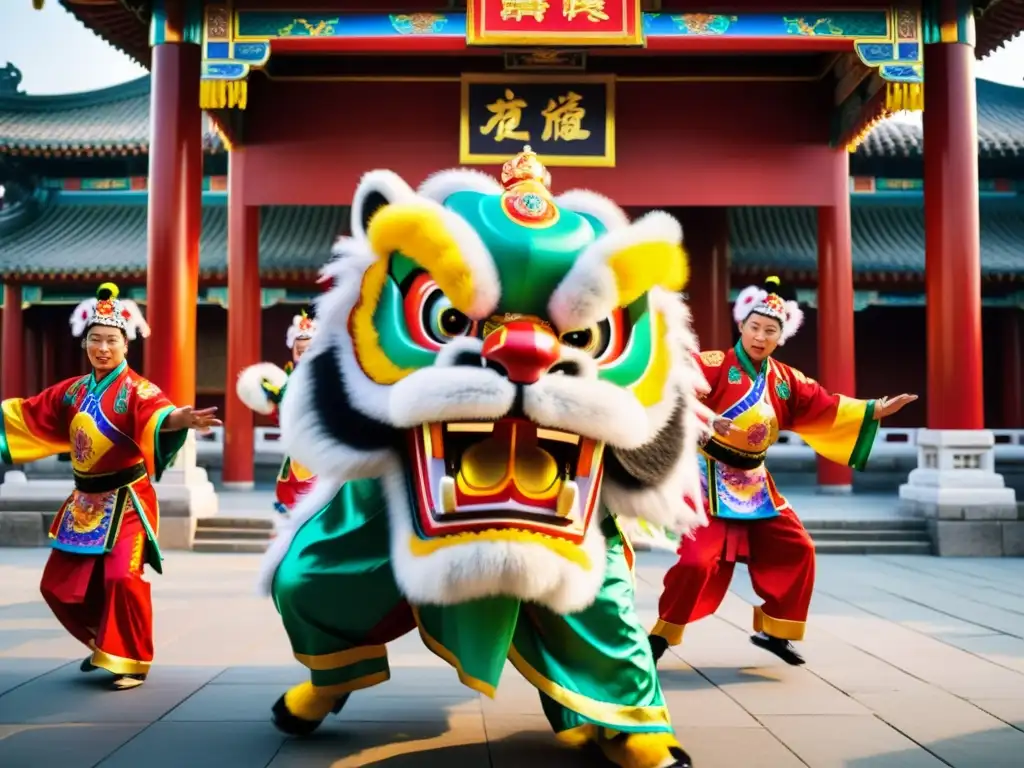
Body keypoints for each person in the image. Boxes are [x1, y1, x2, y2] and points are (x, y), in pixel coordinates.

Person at [258, 148, 711, 767]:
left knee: (598, 597)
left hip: (560, 455)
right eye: (448, 315)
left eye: (581, 336)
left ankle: (628, 716)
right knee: (315, 577)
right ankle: (331, 677)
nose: (522, 349)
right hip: (420, 450)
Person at [649, 276, 917, 666]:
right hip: (708, 475)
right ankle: (661, 635)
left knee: (799, 548)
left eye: (770, 331)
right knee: (695, 562)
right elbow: (672, 391)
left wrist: (875, 409)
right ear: (740, 326)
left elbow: (826, 406)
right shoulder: (713, 364)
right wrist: (707, 418)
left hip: (755, 483)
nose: (760, 336)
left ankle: (774, 630)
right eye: (754, 327)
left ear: (780, 337)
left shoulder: (787, 380)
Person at [0, 283, 221, 690]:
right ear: (86, 343)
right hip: (84, 502)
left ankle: (131, 660)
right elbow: (28, 416)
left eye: (112, 340)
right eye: (95, 340)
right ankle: (107, 643)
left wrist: (181, 420)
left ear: (126, 345)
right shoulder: (73, 390)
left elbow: (159, 413)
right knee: (56, 586)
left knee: (122, 577)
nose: (103, 348)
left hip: (128, 501)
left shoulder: (137, 390)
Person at [235, 309, 318, 522]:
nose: (303, 354)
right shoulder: (288, 380)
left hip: (322, 451)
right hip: (298, 453)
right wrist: (273, 402)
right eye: (299, 350)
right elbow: (282, 419)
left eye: (308, 349)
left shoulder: (328, 378)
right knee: (292, 499)